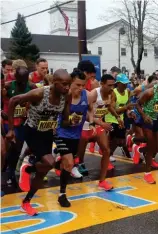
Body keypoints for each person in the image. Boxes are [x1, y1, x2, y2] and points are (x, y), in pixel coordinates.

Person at [6, 69, 71, 216]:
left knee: (43, 172)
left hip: (47, 133)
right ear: (54, 83)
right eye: (64, 84)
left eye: (69, 84)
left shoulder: (66, 96)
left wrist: (70, 120)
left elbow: (65, 119)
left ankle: (26, 201)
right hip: (32, 131)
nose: (67, 87)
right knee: (49, 162)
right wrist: (10, 129)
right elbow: (13, 101)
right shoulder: (39, 93)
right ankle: (28, 167)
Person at [54, 69, 95, 207]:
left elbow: (90, 109)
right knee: (70, 163)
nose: (81, 88)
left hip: (76, 135)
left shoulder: (86, 95)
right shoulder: (64, 97)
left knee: (67, 164)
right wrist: (70, 122)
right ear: (71, 83)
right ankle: (62, 195)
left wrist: (92, 119)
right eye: (77, 85)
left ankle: (57, 160)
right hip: (61, 133)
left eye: (83, 85)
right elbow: (62, 120)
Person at [76, 74, 121, 187]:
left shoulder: (111, 93)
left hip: (98, 125)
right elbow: (85, 113)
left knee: (106, 150)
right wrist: (100, 123)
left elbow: (109, 106)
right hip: (86, 125)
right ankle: (78, 163)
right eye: (109, 85)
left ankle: (102, 181)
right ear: (102, 84)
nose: (111, 88)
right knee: (79, 154)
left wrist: (117, 117)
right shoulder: (93, 94)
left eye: (113, 85)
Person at [2, 67, 36, 188]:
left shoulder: (32, 87)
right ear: (16, 78)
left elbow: (37, 101)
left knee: (18, 148)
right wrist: (1, 110)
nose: (22, 84)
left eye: (24, 81)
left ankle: (13, 170)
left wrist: (29, 108)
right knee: (8, 149)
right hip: (8, 121)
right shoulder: (7, 86)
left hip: (22, 122)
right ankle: (9, 172)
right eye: (20, 81)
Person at [104, 73, 134, 165]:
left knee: (120, 140)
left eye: (126, 83)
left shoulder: (128, 91)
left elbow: (128, 106)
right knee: (112, 140)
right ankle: (108, 156)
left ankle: (112, 154)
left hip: (120, 119)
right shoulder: (113, 93)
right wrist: (125, 108)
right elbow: (114, 109)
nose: (125, 85)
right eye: (123, 83)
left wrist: (130, 112)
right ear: (118, 83)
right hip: (111, 118)